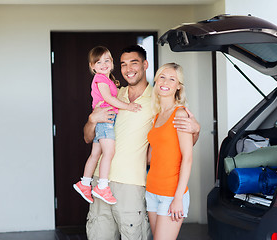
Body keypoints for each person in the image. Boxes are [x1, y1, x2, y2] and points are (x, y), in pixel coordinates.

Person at [83, 45, 200, 240]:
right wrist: (92, 119)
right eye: (123, 64)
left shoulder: (157, 100)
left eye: (134, 63)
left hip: (131, 185)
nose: (128, 69)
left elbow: (175, 143)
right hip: (100, 181)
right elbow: (88, 137)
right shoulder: (112, 96)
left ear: (145, 65)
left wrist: (195, 129)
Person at [73, 46, 141, 205]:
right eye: (98, 62)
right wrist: (128, 106)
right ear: (92, 66)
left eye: (107, 60)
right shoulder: (100, 79)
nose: (103, 64)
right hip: (105, 120)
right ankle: (102, 187)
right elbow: (108, 99)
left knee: (96, 153)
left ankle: (84, 183)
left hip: (102, 121)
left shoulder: (107, 79)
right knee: (108, 152)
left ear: (112, 62)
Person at [146, 63, 192, 240]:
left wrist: (178, 198)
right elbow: (154, 156)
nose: (165, 82)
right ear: (156, 80)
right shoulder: (156, 116)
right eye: (162, 77)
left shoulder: (180, 114)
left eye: (172, 79)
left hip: (171, 194)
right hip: (152, 191)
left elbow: (187, 158)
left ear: (178, 86)